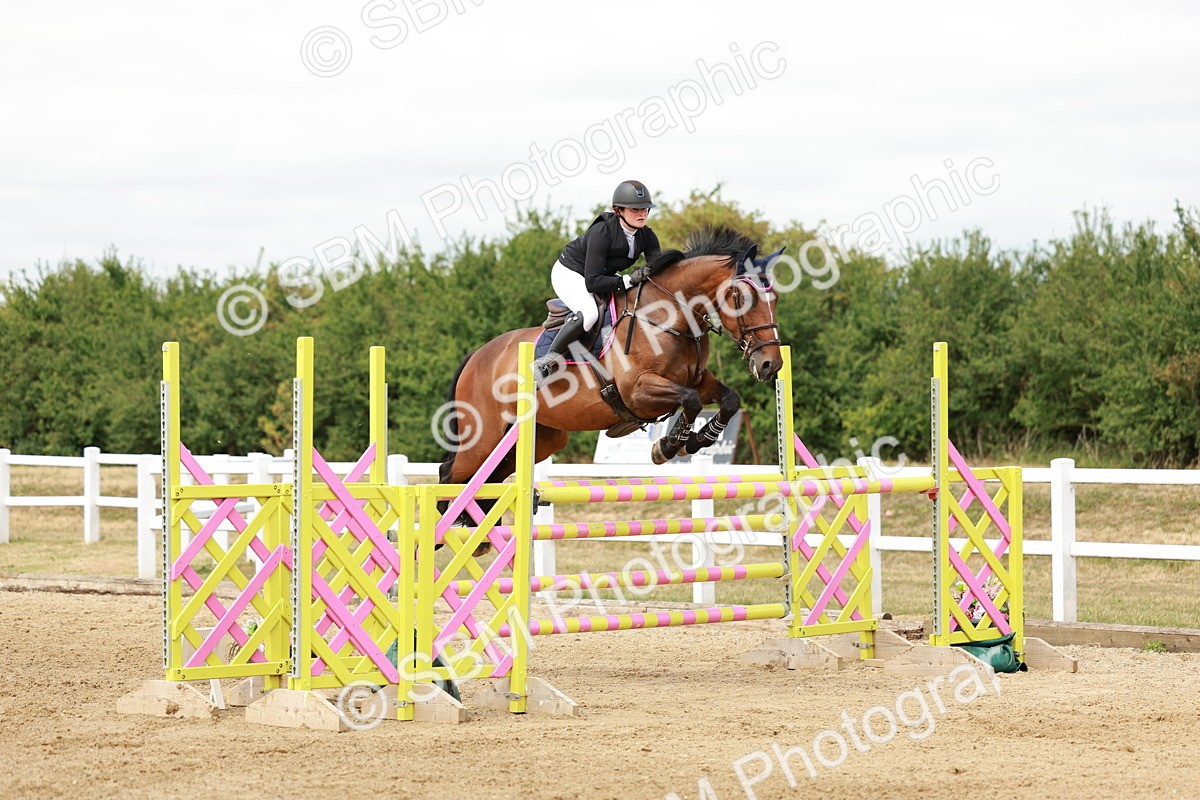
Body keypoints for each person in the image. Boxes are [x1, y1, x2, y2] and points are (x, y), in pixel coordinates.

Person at [534, 180, 662, 380]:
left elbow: (657, 268)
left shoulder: (647, 235)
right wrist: (629, 279)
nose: (642, 213)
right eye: (635, 209)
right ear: (618, 210)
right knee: (589, 313)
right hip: (571, 272)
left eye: (645, 209)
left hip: (603, 275)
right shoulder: (601, 232)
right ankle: (545, 363)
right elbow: (592, 283)